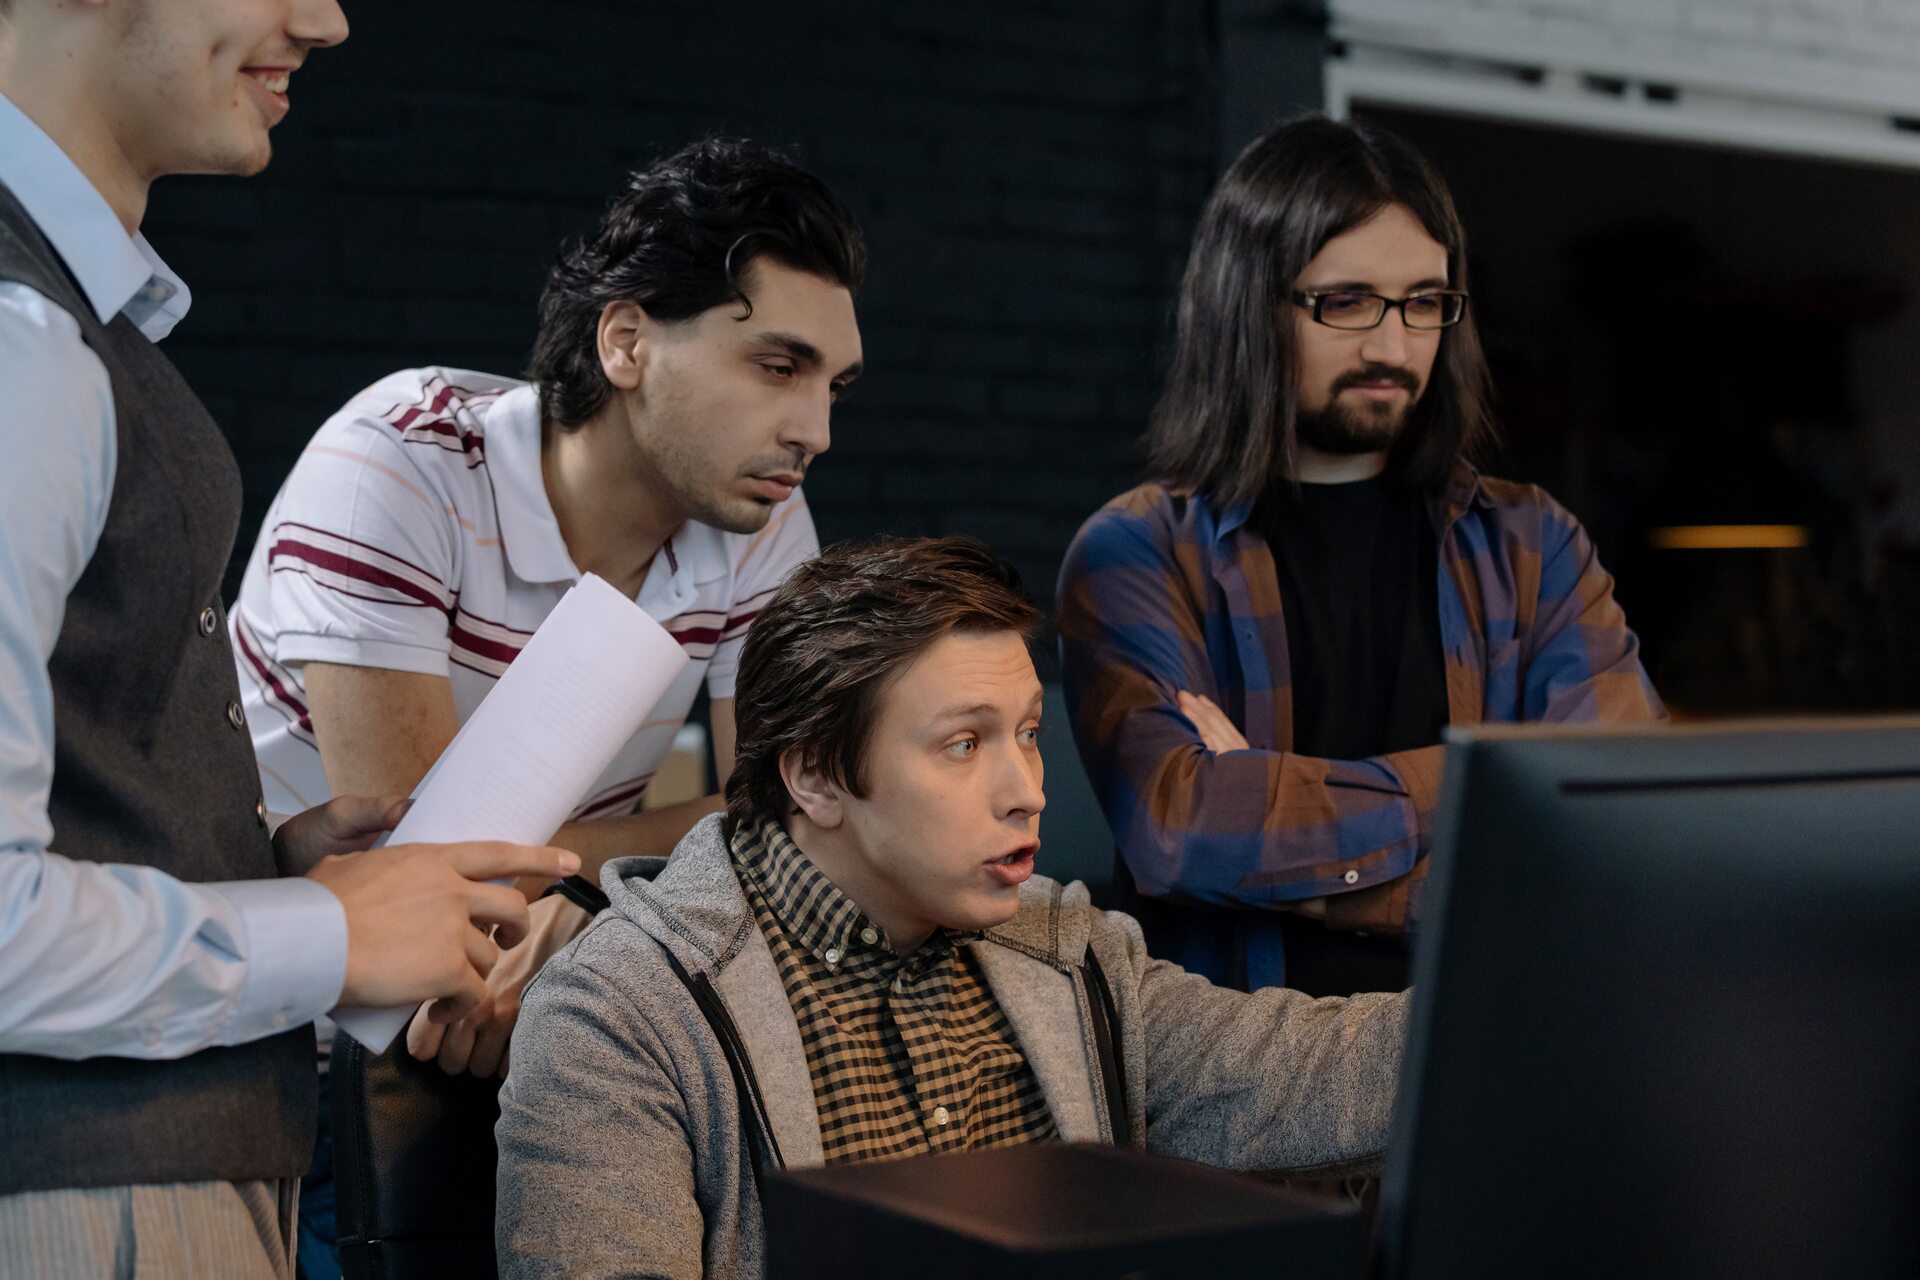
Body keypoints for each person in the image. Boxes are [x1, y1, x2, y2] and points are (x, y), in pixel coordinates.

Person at [0, 3, 576, 1276]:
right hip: (84, 1200)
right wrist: (331, 927)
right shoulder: (22, 338)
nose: (325, 19)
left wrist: (257, 855)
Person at [228, 136, 864, 1271]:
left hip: (549, 1020)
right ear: (625, 341)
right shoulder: (401, 461)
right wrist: (612, 877)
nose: (815, 430)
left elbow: (781, 823)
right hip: (284, 1069)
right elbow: (421, 879)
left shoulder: (757, 517)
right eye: (778, 366)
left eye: (831, 385)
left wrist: (560, 871)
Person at [494, 537, 1407, 1280]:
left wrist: (1526, 989)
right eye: (963, 744)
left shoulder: (1068, 956)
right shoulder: (622, 1014)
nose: (1027, 793)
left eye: (1027, 736)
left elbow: (1325, 1069)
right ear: (815, 774)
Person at [1056, 115, 1664, 999]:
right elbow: (1187, 831)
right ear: (1246, 305)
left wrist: (1304, 860)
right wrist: (1488, 778)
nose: (1394, 345)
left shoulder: (1535, 544)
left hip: (1489, 1034)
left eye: (1425, 302)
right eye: (1344, 302)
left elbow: (1618, 819)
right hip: (1245, 1091)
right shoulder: (1137, 552)